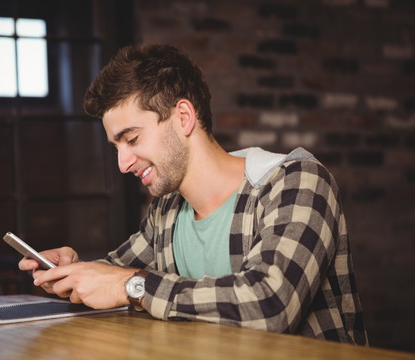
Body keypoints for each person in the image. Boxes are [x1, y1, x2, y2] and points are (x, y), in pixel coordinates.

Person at [19, 44, 368, 345]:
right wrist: (73, 272)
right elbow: (113, 275)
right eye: (116, 147)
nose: (123, 164)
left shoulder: (297, 182)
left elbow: (271, 304)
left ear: (183, 117)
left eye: (133, 139)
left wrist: (131, 286)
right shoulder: (167, 211)